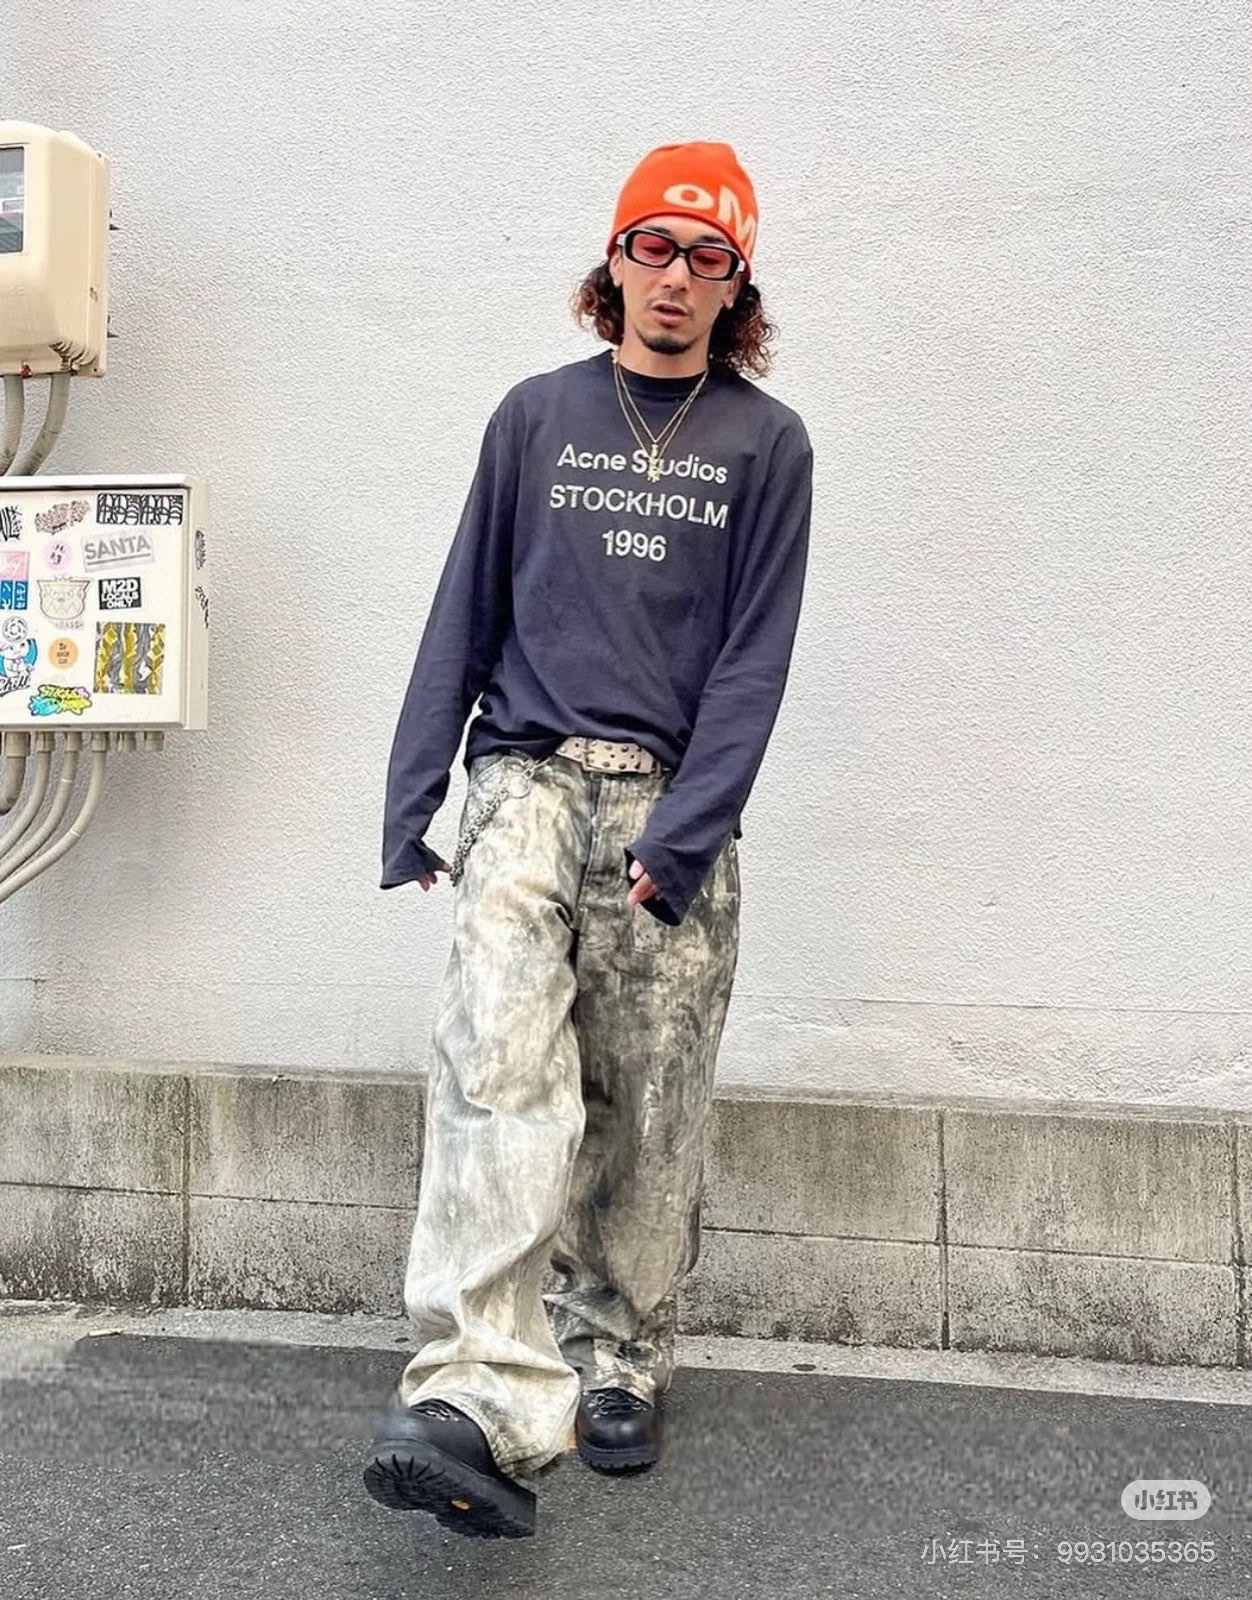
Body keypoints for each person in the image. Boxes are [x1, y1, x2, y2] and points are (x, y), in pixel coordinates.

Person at [365, 140, 814, 1540]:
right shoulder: (536, 418)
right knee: (495, 1067)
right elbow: (465, 605)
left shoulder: (767, 445)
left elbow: (753, 662)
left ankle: (619, 1356)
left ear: (737, 286)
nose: (676, 277)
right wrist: (413, 793)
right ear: (612, 261)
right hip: (526, 785)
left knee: (645, 1096)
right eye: (653, 246)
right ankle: (478, 1390)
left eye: (708, 256)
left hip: (668, 804)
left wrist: (688, 833)